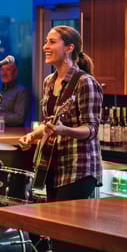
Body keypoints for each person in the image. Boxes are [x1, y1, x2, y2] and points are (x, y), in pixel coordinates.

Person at [19, 25, 103, 200]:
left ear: (69, 48)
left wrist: (64, 130)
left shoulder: (85, 82)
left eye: (52, 42)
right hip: (51, 166)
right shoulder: (49, 81)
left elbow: (92, 129)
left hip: (78, 169)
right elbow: (49, 124)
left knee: (65, 224)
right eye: (45, 42)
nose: (45, 47)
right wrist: (32, 136)